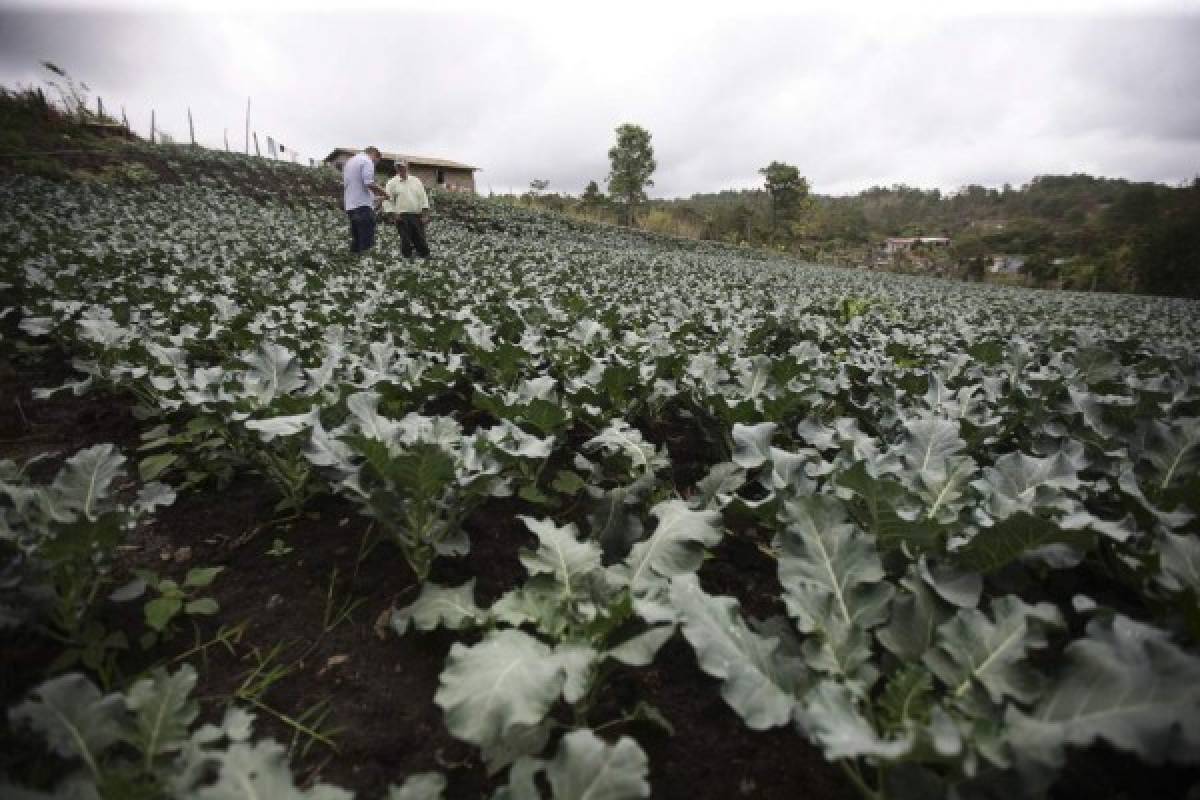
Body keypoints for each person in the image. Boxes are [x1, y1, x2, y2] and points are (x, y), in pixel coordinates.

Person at [343, 146, 387, 254]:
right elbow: (369, 183)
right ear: (375, 156)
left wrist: (379, 198)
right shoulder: (367, 161)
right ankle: (366, 267)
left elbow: (358, 188)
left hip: (351, 207)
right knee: (367, 242)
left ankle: (354, 265)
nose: (376, 164)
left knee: (357, 240)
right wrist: (385, 192)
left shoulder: (350, 162)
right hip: (363, 208)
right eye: (377, 161)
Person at [384, 159, 432, 259]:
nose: (400, 168)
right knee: (405, 240)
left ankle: (425, 258)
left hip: (417, 215)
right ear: (396, 168)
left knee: (420, 239)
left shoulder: (416, 181)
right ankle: (407, 260)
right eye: (398, 166)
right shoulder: (391, 183)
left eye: (402, 166)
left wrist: (425, 214)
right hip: (401, 217)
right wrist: (392, 214)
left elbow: (423, 197)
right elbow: (387, 199)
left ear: (407, 167)